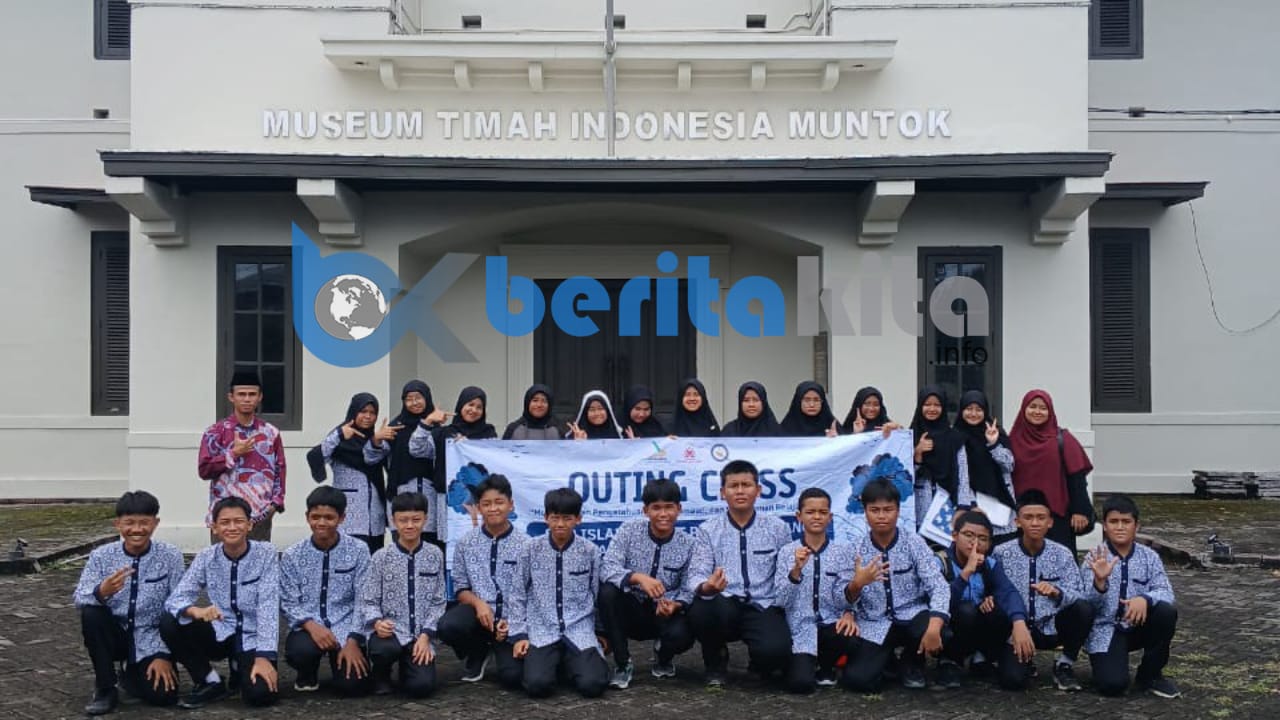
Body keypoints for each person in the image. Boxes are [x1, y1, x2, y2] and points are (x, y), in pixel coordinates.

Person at [74, 491, 187, 715]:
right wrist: (101, 591)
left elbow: (178, 605)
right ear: (118, 524)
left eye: (144, 522)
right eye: (129, 523)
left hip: (151, 636)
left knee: (164, 696)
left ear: (155, 523)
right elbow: (79, 597)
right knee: (91, 613)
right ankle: (106, 687)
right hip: (115, 634)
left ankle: (130, 672)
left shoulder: (171, 556)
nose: (137, 529)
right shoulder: (101, 556)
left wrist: (163, 654)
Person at [161, 497, 280, 709]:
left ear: (249, 524)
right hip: (220, 629)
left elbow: (268, 606)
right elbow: (176, 598)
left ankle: (238, 665)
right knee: (170, 621)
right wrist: (195, 611)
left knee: (260, 695)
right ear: (214, 527)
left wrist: (264, 656)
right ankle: (209, 681)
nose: (232, 527)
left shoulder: (266, 554)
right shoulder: (207, 556)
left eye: (238, 521)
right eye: (225, 522)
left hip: (252, 635)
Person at [686, 459, 793, 687]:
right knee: (701, 608)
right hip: (725, 605)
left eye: (746, 485)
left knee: (776, 653)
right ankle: (715, 661)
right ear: (722, 493)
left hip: (763, 605)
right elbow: (696, 573)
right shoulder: (708, 529)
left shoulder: (778, 528)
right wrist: (708, 586)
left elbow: (785, 575)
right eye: (734, 486)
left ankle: (759, 662)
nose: (740, 491)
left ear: (758, 490)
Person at [839, 478, 950, 692]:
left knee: (942, 631)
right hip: (874, 622)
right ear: (865, 512)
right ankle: (888, 661)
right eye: (875, 510)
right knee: (858, 681)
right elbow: (840, 595)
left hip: (912, 615)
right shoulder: (854, 548)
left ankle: (912, 662)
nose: (882, 516)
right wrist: (857, 584)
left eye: (888, 509)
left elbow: (938, 585)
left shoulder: (914, 542)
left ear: (898, 511)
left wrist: (935, 625)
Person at [508, 488, 610, 698]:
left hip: (579, 629)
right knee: (537, 685)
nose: (560, 524)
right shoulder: (530, 549)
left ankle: (574, 662)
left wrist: (600, 632)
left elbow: (597, 593)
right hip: (541, 629)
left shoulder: (590, 551)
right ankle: (558, 664)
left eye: (567, 518)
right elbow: (517, 594)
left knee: (593, 685)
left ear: (578, 519)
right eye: (555, 518)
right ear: (546, 517)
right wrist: (519, 635)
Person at [991, 490, 1095, 692]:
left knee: (1083, 608)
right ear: (1017, 522)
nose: (1035, 523)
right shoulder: (1001, 553)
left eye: (1041, 518)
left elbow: (1079, 593)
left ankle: (1064, 664)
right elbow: (993, 588)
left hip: (1051, 627)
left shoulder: (1063, 554)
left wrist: (1057, 592)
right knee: (1013, 681)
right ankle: (1009, 658)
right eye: (1028, 517)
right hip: (1015, 629)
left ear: (1050, 522)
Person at [599, 479, 697, 689]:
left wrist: (675, 604)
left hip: (664, 612)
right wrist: (637, 578)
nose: (663, 514)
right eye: (656, 508)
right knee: (608, 592)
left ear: (679, 509)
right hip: (631, 608)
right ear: (645, 510)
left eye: (669, 507)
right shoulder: (629, 531)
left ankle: (663, 657)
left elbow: (689, 587)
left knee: (683, 634)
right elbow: (607, 567)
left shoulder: (689, 544)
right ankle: (623, 664)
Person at [1082, 496, 1180, 698]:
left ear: (1136, 526)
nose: (1120, 527)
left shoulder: (1149, 556)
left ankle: (1150, 676)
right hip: (1106, 630)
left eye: (1126, 522)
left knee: (1166, 612)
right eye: (1113, 521)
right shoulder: (1094, 557)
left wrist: (1145, 599)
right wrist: (1099, 583)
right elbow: (1086, 606)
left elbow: (1166, 592)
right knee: (1113, 685)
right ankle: (1108, 665)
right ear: (1104, 526)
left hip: (1138, 625)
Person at [279, 486, 373, 696]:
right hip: (308, 626)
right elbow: (288, 602)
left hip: (346, 625)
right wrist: (312, 626)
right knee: (300, 652)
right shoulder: (292, 555)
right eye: (315, 517)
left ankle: (345, 661)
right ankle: (307, 673)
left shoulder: (359, 550)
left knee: (353, 687)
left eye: (329, 517)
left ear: (342, 518)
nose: (321, 523)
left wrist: (353, 640)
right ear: (307, 517)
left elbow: (364, 599)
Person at [437, 474, 528, 688]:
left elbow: (531, 593)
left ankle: (501, 648)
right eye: (486, 504)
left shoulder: (526, 545)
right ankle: (478, 650)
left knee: (512, 678)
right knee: (448, 626)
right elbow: (460, 588)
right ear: (478, 508)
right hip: (479, 617)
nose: (493, 509)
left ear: (511, 505)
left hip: (512, 621)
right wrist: (479, 604)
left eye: (499, 502)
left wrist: (513, 623)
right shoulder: (465, 543)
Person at [360, 491, 447, 698]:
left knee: (421, 687)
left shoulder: (435, 554)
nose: (409, 526)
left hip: (419, 635)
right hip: (390, 632)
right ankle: (381, 673)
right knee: (383, 650)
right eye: (403, 520)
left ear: (425, 519)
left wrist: (426, 635)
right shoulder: (380, 557)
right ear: (393, 520)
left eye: (416, 520)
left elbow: (439, 601)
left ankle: (409, 668)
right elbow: (368, 599)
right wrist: (377, 622)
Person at [935, 511, 1034, 688]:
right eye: (968, 535)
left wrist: (1019, 622)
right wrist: (966, 573)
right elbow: (939, 602)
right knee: (966, 611)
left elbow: (1008, 592)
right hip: (948, 626)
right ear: (955, 536)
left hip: (978, 626)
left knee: (996, 609)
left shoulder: (989, 564)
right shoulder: (940, 562)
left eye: (982, 538)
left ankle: (981, 658)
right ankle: (949, 661)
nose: (975, 543)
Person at [775, 488, 859, 694]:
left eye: (822, 512)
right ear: (799, 516)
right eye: (810, 512)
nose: (817, 517)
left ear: (830, 517)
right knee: (800, 685)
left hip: (831, 623)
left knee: (850, 633)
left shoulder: (843, 552)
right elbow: (782, 600)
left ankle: (827, 666)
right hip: (800, 628)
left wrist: (849, 612)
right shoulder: (787, 552)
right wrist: (796, 570)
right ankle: (802, 663)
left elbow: (845, 596)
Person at [196, 371, 285, 541]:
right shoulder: (215, 432)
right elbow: (204, 470)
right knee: (222, 557)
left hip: (260, 513)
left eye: (252, 394)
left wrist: (275, 504)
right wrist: (233, 454)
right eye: (241, 394)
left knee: (260, 558)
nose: (247, 399)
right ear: (231, 397)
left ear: (260, 397)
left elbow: (280, 468)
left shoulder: (270, 432)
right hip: (225, 516)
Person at [1008, 389, 1094, 553]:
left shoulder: (1063, 439)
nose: (1037, 412)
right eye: (1032, 406)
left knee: (1059, 560)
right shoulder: (1012, 440)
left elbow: (1077, 478)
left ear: (1050, 411)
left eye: (1043, 408)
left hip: (1057, 518)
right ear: (1024, 409)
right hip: (1020, 517)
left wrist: (1080, 510)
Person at [413, 386, 496, 548]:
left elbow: (492, 462)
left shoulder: (489, 433)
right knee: (449, 544)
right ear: (461, 405)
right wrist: (428, 422)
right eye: (470, 404)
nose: (474, 410)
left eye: (479, 407)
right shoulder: (444, 433)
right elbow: (416, 449)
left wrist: (469, 447)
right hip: (448, 499)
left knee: (478, 543)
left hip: (480, 499)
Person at [316, 392, 390, 552]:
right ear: (353, 412)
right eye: (363, 411)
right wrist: (339, 435)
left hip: (374, 519)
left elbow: (372, 457)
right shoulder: (339, 439)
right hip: (349, 518)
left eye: (372, 413)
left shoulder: (377, 440)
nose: (368, 416)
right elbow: (319, 456)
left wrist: (376, 441)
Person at [952, 390, 1018, 541]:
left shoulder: (996, 432)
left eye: (978, 409)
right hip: (971, 507)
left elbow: (1009, 465)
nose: (973, 414)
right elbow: (958, 476)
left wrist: (993, 444)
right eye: (969, 409)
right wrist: (971, 503)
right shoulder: (955, 437)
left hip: (1000, 505)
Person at [908, 385, 969, 530]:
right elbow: (904, 477)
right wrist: (917, 453)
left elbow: (963, 474)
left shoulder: (955, 437)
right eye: (927, 404)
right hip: (917, 508)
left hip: (947, 507)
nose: (932, 409)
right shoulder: (910, 437)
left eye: (937, 405)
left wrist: (963, 507)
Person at [385, 380, 448, 517]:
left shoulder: (437, 428)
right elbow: (377, 458)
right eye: (409, 399)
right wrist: (376, 440)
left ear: (427, 398)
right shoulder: (396, 427)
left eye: (418, 397)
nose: (414, 403)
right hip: (401, 492)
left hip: (431, 494)